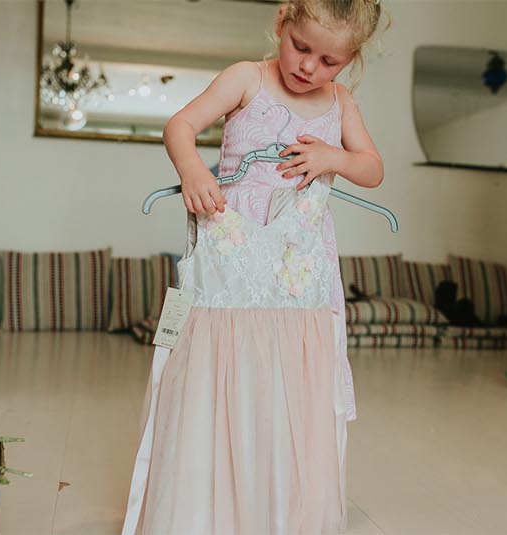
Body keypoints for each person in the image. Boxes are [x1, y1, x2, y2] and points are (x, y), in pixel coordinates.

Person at [122, 1, 387, 532]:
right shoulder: (246, 78)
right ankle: (208, 510)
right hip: (231, 277)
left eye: (329, 60)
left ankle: (277, 510)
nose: (309, 66)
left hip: (297, 286)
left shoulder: (342, 102)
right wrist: (193, 167)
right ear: (281, 25)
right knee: (224, 386)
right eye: (301, 47)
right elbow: (181, 124)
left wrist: (334, 158)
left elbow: (372, 168)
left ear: (351, 60)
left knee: (285, 399)